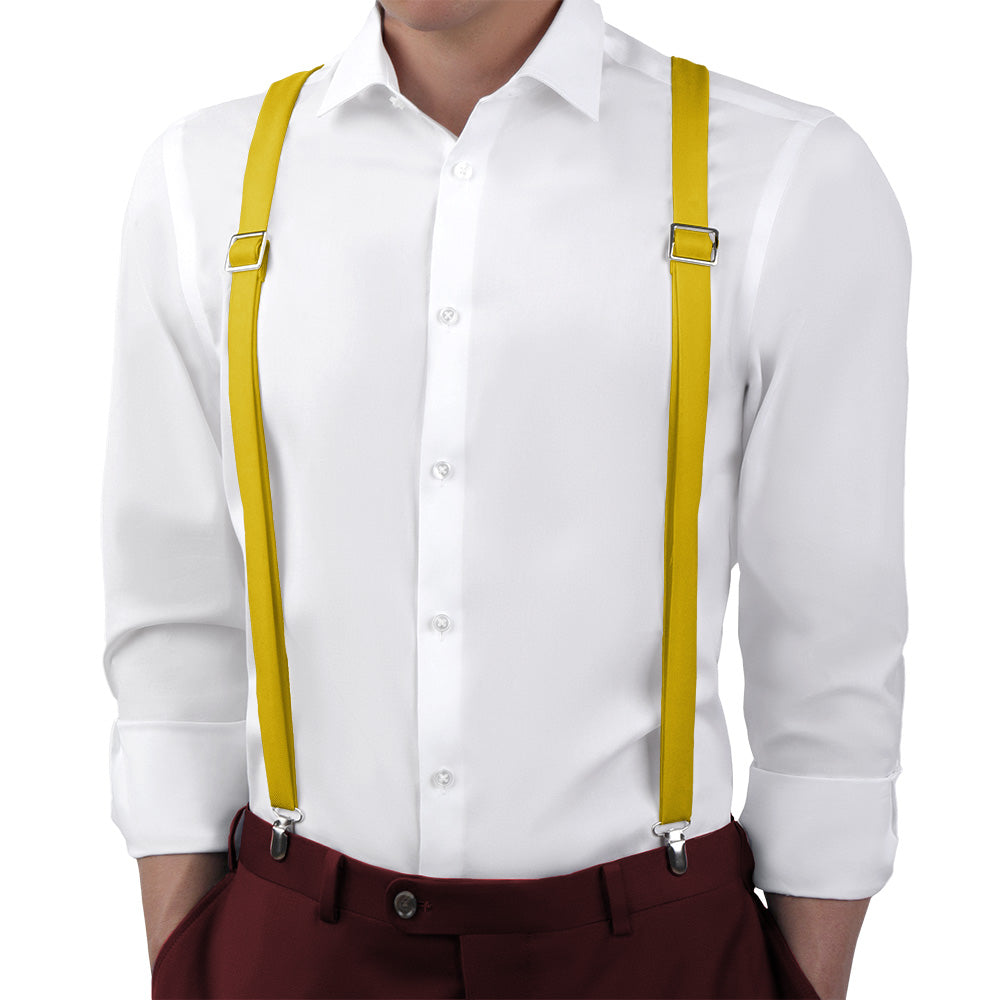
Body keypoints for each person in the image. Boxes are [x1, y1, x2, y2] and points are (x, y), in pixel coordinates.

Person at [100, 1, 909, 997]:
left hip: (654, 954)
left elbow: (830, 641)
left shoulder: (787, 176)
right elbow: (173, 619)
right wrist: (185, 960)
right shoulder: (204, 178)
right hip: (291, 944)